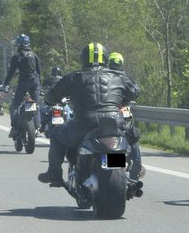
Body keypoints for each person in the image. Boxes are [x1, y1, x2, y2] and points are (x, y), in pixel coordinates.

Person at [38, 42, 140, 187]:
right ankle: (132, 168)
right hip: (114, 125)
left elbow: (51, 98)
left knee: (55, 134)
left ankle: (54, 173)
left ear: (84, 59)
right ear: (106, 58)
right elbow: (136, 93)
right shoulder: (119, 77)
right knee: (131, 132)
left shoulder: (74, 77)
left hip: (83, 126)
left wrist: (48, 99)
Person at [108, 51, 144, 180]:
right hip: (122, 110)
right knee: (132, 134)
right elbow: (136, 92)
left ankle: (136, 165)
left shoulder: (103, 77)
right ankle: (137, 166)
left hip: (108, 111)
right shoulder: (125, 78)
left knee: (131, 134)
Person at [4, 34, 42, 136]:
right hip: (35, 82)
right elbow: (39, 72)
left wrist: (5, 84)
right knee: (36, 104)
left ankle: (15, 128)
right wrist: (39, 85)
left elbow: (11, 72)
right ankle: (38, 126)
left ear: (19, 44)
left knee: (15, 105)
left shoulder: (17, 56)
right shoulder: (34, 55)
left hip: (24, 82)